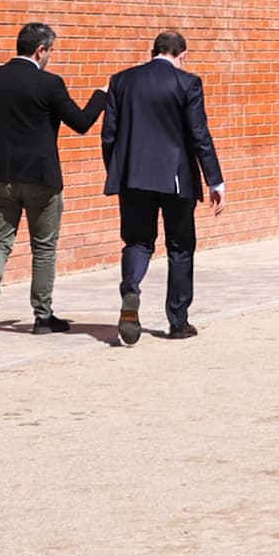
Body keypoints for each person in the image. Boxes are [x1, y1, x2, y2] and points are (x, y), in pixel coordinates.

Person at [0, 21, 103, 339]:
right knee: (44, 248)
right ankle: (42, 316)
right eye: (50, 51)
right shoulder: (49, 84)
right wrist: (100, 97)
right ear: (41, 50)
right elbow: (80, 123)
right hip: (41, 177)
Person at [100, 29, 224, 346]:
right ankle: (178, 321)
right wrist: (214, 179)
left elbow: (109, 135)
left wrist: (118, 171)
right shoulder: (187, 82)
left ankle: (131, 288)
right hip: (175, 177)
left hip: (134, 177)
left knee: (137, 241)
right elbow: (199, 134)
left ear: (153, 50)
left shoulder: (121, 81)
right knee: (180, 247)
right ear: (182, 54)